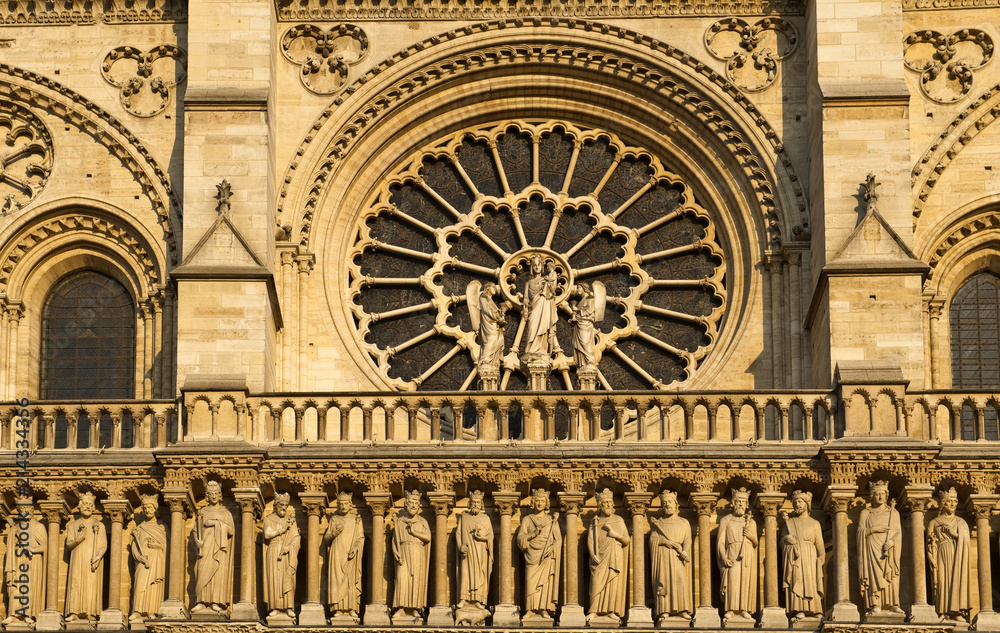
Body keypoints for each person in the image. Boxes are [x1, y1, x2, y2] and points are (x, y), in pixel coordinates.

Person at [857, 480, 903, 617]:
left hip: (888, 548)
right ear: (872, 496)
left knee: (891, 575)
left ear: (886, 495)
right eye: (877, 494)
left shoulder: (893, 513)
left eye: (883, 494)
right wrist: (873, 529)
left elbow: (898, 532)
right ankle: (875, 604)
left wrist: (893, 541)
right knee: (873, 576)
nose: (880, 497)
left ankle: (893, 604)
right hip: (872, 547)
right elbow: (860, 532)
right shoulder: (866, 513)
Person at [586, 489, 630, 624]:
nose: (609, 505)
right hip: (599, 558)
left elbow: (626, 540)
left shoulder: (618, 520)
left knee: (613, 582)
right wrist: (593, 554)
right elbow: (590, 541)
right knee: (596, 582)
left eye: (611, 503)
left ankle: (612, 610)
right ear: (600, 506)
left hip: (614, 555)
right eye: (605, 503)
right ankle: (593, 610)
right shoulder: (595, 522)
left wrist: (615, 535)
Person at [516, 488, 561, 620]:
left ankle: (543, 609)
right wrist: (533, 534)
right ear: (533, 503)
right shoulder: (527, 519)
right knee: (530, 582)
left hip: (546, 555)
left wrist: (552, 548)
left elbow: (558, 539)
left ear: (546, 503)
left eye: (542, 500)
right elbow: (520, 538)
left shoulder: (551, 520)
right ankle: (530, 609)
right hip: (532, 555)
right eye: (537, 500)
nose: (540, 503)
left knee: (545, 583)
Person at [927, 488, 970, 622]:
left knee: (955, 581)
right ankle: (941, 612)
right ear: (943, 503)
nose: (953, 504)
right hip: (941, 553)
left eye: (955, 501)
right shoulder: (934, 523)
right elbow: (929, 544)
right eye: (950, 501)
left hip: (957, 554)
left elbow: (966, 540)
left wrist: (953, 534)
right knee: (942, 581)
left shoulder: (961, 522)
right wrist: (932, 559)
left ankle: (955, 612)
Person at [780, 490, 824, 621]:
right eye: (795, 502)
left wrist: (821, 557)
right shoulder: (790, 522)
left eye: (800, 502)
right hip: (795, 557)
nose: (797, 505)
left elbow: (820, 544)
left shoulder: (815, 523)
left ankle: (815, 610)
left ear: (807, 504)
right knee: (797, 578)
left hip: (810, 556)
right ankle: (799, 609)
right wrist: (787, 541)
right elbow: (781, 543)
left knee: (811, 581)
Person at [192, 480, 235, 614]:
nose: (214, 496)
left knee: (217, 574)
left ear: (220, 494)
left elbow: (231, 531)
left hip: (219, 549)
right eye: (211, 494)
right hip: (205, 548)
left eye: (216, 493)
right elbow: (195, 530)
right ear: (207, 495)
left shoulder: (225, 512)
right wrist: (197, 540)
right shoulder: (202, 512)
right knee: (201, 571)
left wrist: (216, 523)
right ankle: (201, 601)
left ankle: (216, 601)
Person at [649, 490, 692, 622]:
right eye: (664, 502)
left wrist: (684, 551)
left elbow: (688, 540)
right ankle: (664, 610)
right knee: (665, 582)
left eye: (670, 502)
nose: (667, 505)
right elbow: (652, 540)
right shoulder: (659, 523)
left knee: (681, 581)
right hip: (663, 557)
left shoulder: (684, 522)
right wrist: (663, 542)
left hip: (678, 559)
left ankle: (683, 609)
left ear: (676, 504)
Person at [64, 491, 107, 623]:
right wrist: (79, 539)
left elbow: (103, 544)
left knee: (91, 585)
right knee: (75, 583)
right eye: (85, 504)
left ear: (93, 507)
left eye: (90, 504)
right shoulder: (73, 525)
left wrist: (98, 557)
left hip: (92, 560)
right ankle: (74, 612)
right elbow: (69, 545)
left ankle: (91, 612)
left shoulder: (99, 525)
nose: (88, 506)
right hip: (77, 560)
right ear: (79, 506)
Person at [717, 487, 757, 626]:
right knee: (733, 581)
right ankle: (730, 609)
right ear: (732, 503)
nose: (740, 504)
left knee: (746, 581)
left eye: (743, 501)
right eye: (738, 501)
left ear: (747, 504)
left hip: (747, 553)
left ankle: (744, 609)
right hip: (732, 552)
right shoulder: (726, 520)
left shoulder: (751, 522)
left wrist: (750, 535)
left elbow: (756, 542)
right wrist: (724, 557)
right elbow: (721, 543)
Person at [3, 498, 45, 626]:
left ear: (32, 511)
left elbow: (45, 546)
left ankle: (27, 613)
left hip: (33, 560)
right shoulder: (16, 527)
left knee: (30, 586)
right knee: (16, 584)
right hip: (18, 558)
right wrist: (13, 532)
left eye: (26, 509)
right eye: (21, 510)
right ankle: (13, 614)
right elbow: (12, 544)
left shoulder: (39, 526)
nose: (24, 512)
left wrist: (32, 549)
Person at [325, 491, 365, 621]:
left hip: (350, 554)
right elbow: (326, 538)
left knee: (351, 580)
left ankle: (351, 608)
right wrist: (333, 534)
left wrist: (355, 548)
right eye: (340, 504)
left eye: (345, 504)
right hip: (337, 553)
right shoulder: (334, 519)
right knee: (336, 579)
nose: (343, 507)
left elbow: (361, 538)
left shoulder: (356, 520)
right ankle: (338, 608)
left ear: (350, 505)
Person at [392, 490, 431, 621]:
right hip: (403, 551)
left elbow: (428, 537)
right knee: (402, 579)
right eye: (411, 502)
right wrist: (396, 552)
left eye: (416, 503)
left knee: (416, 580)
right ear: (406, 505)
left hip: (417, 552)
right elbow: (394, 541)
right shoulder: (399, 522)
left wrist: (414, 533)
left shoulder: (422, 522)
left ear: (419, 505)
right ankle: (401, 607)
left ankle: (415, 608)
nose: (413, 505)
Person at [455, 490, 493, 625]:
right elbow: (458, 533)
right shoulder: (464, 517)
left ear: (481, 504)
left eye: (478, 502)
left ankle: (477, 600)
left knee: (479, 575)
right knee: (465, 574)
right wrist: (460, 547)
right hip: (468, 552)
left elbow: (491, 537)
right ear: (470, 503)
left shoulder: (486, 519)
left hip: (481, 551)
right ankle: (464, 599)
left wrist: (483, 538)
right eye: (473, 502)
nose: (476, 504)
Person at [130, 493, 166, 624]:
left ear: (155, 508)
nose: (147, 510)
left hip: (156, 560)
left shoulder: (162, 527)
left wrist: (158, 545)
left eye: (150, 508)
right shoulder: (140, 527)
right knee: (140, 585)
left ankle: (152, 611)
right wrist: (138, 556)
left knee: (154, 586)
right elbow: (135, 545)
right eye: (145, 508)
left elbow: (169, 547)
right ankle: (137, 611)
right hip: (142, 562)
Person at [262, 493, 300, 619]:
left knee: (287, 577)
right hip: (273, 551)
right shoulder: (268, 519)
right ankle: (275, 607)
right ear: (276, 505)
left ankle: (289, 607)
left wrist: (289, 547)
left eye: (285, 505)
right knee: (274, 579)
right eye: (281, 505)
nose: (283, 507)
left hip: (287, 553)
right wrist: (282, 530)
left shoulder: (291, 521)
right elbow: (267, 535)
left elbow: (296, 538)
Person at [522, 254, 559, 361]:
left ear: (542, 266)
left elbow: (552, 289)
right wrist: (525, 308)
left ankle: (541, 350)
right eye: (534, 265)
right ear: (532, 268)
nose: (537, 267)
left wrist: (552, 278)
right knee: (532, 328)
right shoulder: (528, 283)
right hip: (533, 308)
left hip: (544, 307)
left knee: (544, 328)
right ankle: (531, 350)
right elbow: (526, 298)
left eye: (539, 265)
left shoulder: (546, 279)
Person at [477, 282, 506, 375]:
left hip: (494, 325)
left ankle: (491, 361)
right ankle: (485, 360)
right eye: (494, 288)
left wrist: (501, 314)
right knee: (490, 340)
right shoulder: (483, 298)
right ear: (488, 288)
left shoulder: (490, 299)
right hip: (489, 324)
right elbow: (487, 311)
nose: (495, 290)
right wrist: (498, 318)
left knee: (494, 342)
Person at [570, 283, 597, 370]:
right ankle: (583, 363)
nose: (577, 290)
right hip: (579, 325)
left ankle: (590, 361)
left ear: (584, 289)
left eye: (579, 288)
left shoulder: (590, 299)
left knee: (585, 343)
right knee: (580, 345)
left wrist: (577, 310)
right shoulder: (582, 300)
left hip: (585, 325)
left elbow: (590, 310)